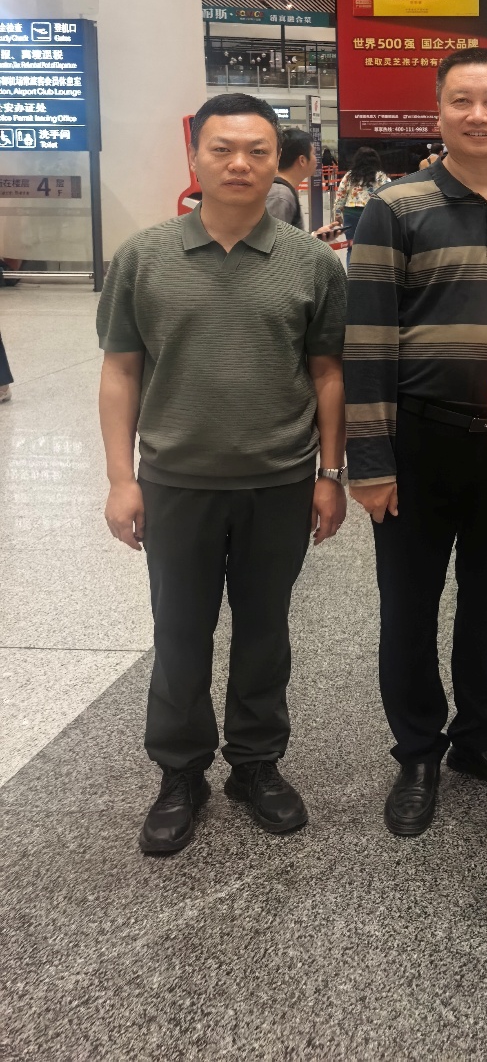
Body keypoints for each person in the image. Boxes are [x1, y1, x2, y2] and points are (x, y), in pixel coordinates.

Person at [96, 93, 348, 856]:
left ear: (280, 164)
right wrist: (121, 478)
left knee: (266, 631)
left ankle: (256, 764)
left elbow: (328, 373)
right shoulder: (143, 258)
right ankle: (180, 773)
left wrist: (329, 473)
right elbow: (120, 372)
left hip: (279, 480)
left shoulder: (312, 262)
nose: (240, 164)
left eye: (257, 151)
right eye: (222, 149)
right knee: (179, 632)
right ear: (195, 157)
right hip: (177, 481)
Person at [343, 48, 487, 839]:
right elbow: (367, 341)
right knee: (408, 606)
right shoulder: (395, 208)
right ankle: (416, 751)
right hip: (418, 441)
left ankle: (480, 737)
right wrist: (369, 461)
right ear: (438, 111)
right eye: (462, 100)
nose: (479, 115)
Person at [333, 147, 389, 246]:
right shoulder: (381, 176)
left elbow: (341, 196)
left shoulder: (349, 176)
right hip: (373, 213)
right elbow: (389, 195)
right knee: (372, 246)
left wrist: (338, 215)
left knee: (352, 246)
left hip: (351, 214)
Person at [266, 128, 315, 227]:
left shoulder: (281, 191)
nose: (316, 159)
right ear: (302, 160)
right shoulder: (280, 196)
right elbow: (271, 236)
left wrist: (315, 235)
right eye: (314, 154)